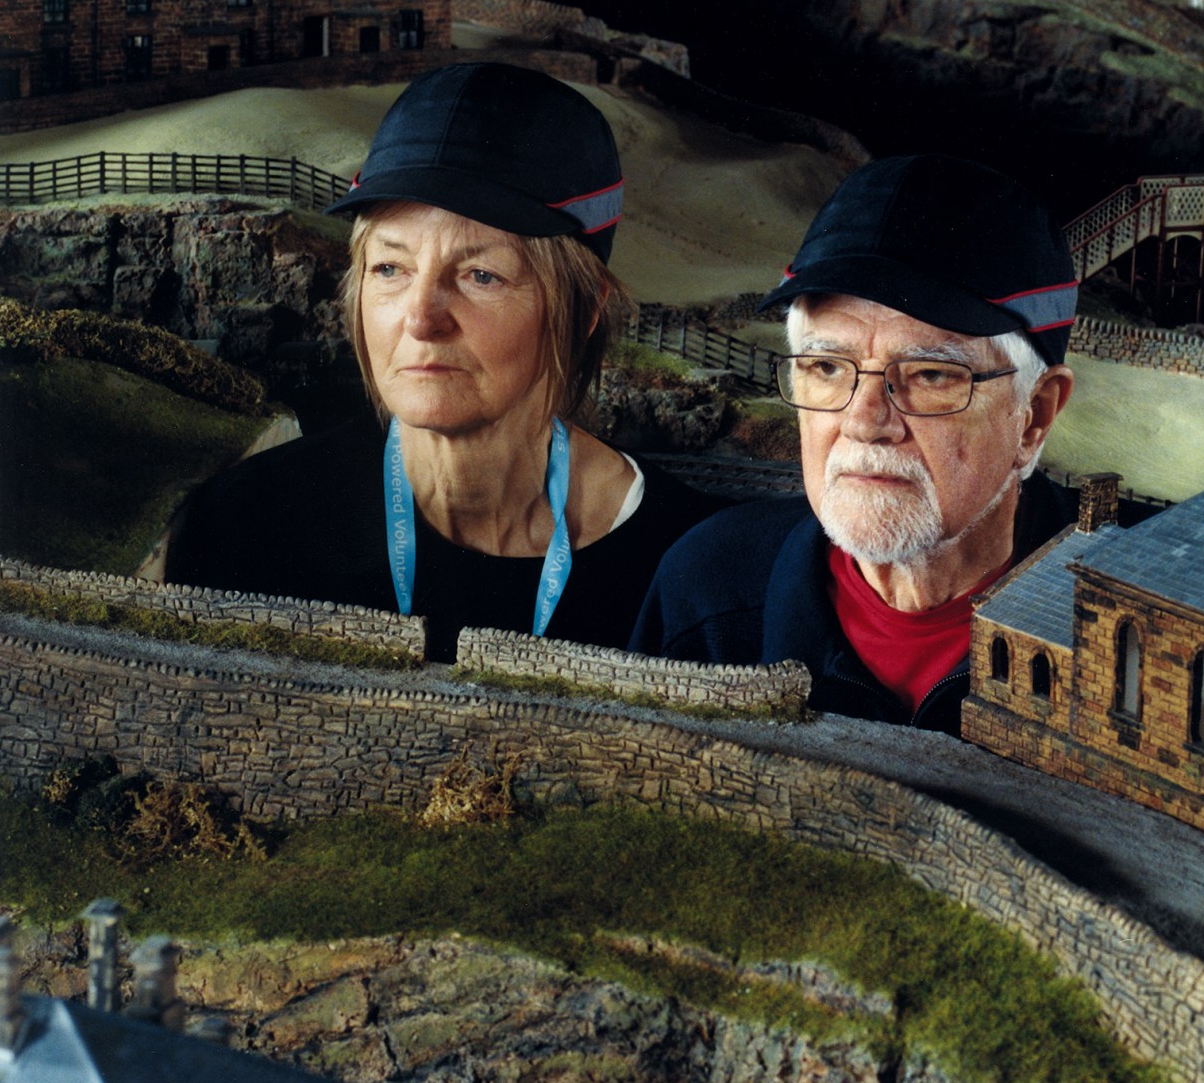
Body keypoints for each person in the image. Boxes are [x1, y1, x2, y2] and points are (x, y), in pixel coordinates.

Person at [166, 62, 719, 660]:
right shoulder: (242, 530)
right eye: (390, 269)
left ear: (584, 310)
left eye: (481, 275)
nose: (421, 317)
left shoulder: (696, 571)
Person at [630, 153, 1078, 732]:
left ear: (1034, 417)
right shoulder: (706, 590)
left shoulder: (1139, 631)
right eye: (827, 367)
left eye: (930, 375)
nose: (865, 421)